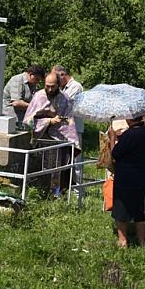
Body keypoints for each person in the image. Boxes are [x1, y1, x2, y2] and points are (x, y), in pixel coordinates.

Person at [23, 72, 79, 196]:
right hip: (40, 140)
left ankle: (55, 194)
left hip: (58, 141)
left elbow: (69, 121)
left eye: (53, 86)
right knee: (40, 169)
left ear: (58, 85)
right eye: (47, 86)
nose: (49, 89)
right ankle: (37, 193)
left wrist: (60, 122)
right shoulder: (38, 97)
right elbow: (27, 122)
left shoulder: (64, 99)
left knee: (58, 169)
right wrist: (48, 121)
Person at [110, 113, 145, 247]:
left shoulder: (128, 135)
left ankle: (123, 240)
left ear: (129, 119)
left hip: (125, 177)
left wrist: (113, 138)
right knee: (139, 209)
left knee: (121, 208)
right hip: (141, 176)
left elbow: (115, 155)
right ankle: (142, 240)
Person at [52, 65, 85, 194]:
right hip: (65, 129)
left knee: (76, 161)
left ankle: (78, 192)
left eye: (57, 79)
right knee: (63, 160)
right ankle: (63, 189)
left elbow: (63, 104)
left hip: (75, 129)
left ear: (63, 75)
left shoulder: (75, 87)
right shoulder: (64, 87)